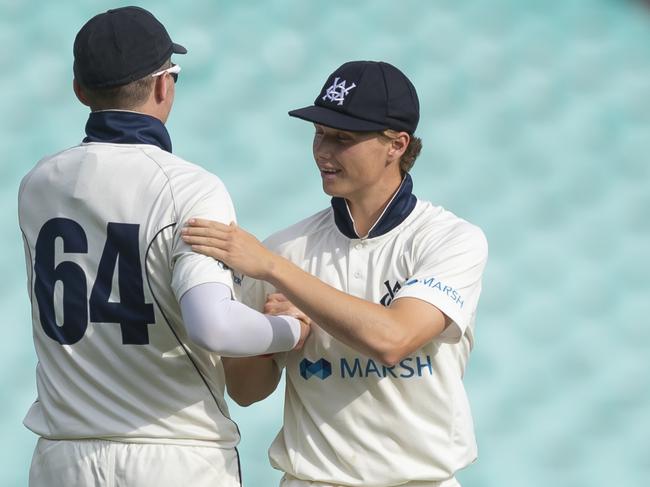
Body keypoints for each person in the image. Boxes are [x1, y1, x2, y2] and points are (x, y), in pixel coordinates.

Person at [18, 7, 309, 487]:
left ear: (79, 91)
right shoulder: (192, 188)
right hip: (175, 454)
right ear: (162, 87)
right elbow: (214, 326)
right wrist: (287, 331)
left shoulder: (37, 183)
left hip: (62, 455)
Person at [182, 60, 489, 487]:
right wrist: (277, 334)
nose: (323, 151)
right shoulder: (284, 247)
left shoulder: (450, 239)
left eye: (343, 138)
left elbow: (393, 339)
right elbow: (246, 391)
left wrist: (278, 272)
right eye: (319, 133)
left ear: (397, 145)